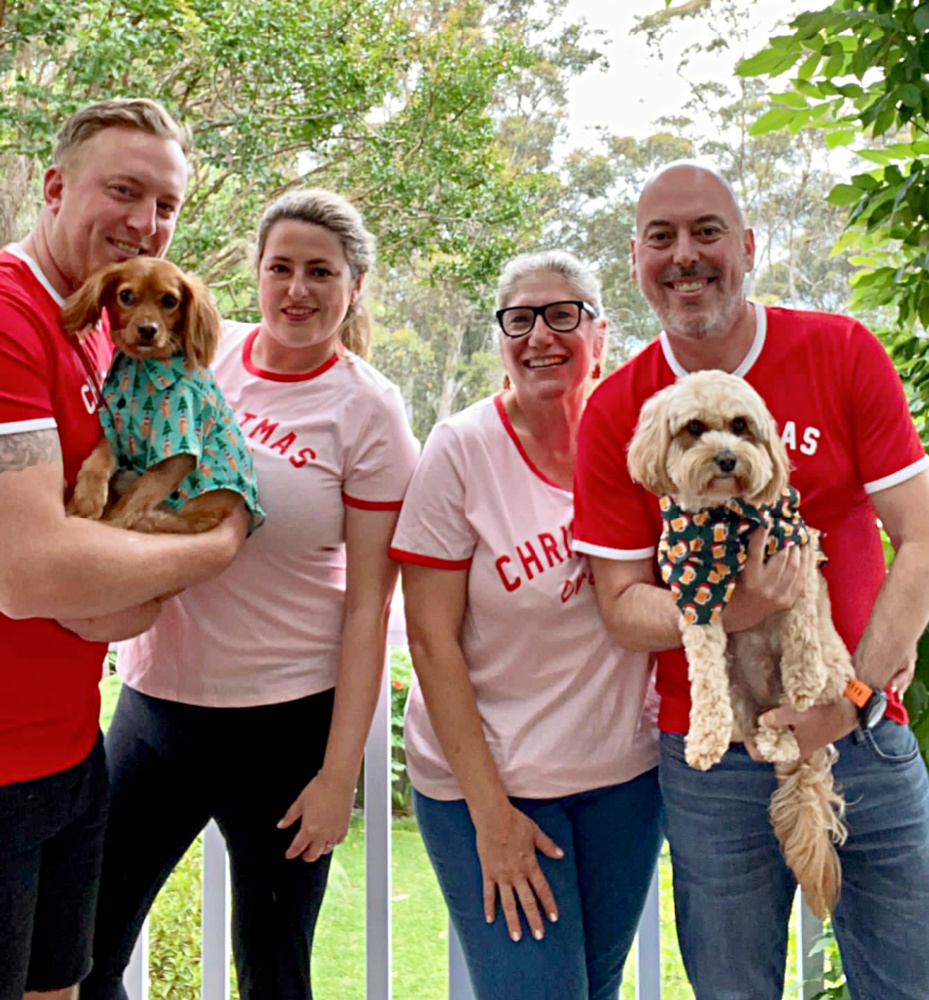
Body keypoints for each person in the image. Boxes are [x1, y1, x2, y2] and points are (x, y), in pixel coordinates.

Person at [572, 160, 929, 1000]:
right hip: (712, 754)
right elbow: (622, 609)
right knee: (732, 987)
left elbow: (920, 537)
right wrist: (737, 608)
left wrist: (847, 697)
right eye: (660, 238)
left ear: (747, 247)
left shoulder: (839, 351)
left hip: (863, 725)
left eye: (706, 232)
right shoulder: (620, 408)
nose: (684, 255)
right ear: (635, 262)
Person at [81, 188, 420, 1000]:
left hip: (284, 727)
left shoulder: (368, 411)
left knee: (271, 972)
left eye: (320, 272)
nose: (297, 290)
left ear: (354, 284)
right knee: (82, 954)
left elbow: (368, 604)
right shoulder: (200, 352)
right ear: (256, 275)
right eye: (280, 269)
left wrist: (340, 776)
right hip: (156, 708)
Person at [0, 98, 250, 1000]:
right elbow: (31, 577)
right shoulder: (6, 317)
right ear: (56, 185)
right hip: (1, 766)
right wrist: (216, 546)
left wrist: (109, 581)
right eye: (123, 189)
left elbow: (84, 569)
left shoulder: (104, 331)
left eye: (166, 204)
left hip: (71, 748)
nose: (146, 222)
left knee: (65, 985)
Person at [389, 250, 662, 1000]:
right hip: (493, 784)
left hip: (624, 780)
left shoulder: (644, 442)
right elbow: (428, 641)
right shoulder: (463, 449)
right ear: (501, 339)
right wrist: (492, 816)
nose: (540, 334)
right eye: (520, 318)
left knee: (594, 989)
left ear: (599, 334)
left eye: (562, 313)